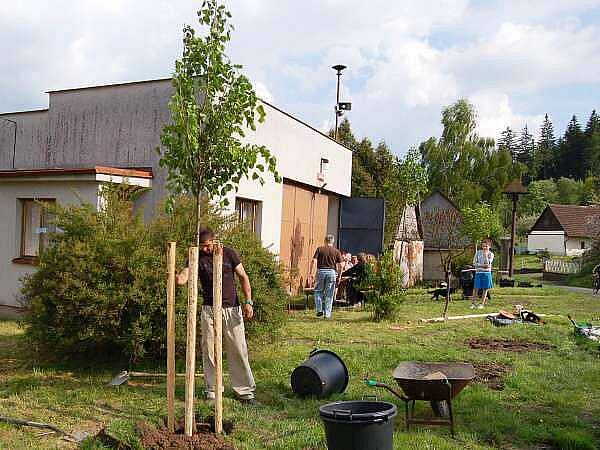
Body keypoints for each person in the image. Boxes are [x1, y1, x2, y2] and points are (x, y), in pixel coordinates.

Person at [176, 228, 258, 405]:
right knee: (210, 350)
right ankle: (212, 390)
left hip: (232, 309)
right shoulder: (197, 256)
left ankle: (244, 391)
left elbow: (243, 276)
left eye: (207, 246)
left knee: (238, 348)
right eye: (202, 246)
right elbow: (186, 273)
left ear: (214, 241)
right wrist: (178, 278)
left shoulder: (229, 254)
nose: (205, 249)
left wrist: (249, 301)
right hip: (209, 310)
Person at [308, 234, 342, 318]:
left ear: (325, 241)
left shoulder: (320, 249)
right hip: (332, 272)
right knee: (329, 294)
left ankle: (319, 310)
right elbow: (340, 265)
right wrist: (339, 275)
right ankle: (327, 314)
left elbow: (314, 261)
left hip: (321, 272)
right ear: (333, 241)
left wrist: (311, 273)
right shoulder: (336, 251)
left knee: (318, 291)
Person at [471, 238, 494, 309]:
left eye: (486, 246)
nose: (484, 248)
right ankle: (473, 304)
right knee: (476, 288)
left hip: (487, 273)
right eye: (483, 246)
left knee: (485, 289)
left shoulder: (491, 254)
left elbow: (488, 264)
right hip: (478, 272)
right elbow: (474, 263)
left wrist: (485, 254)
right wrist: (481, 265)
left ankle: (482, 304)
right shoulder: (478, 252)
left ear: (489, 246)